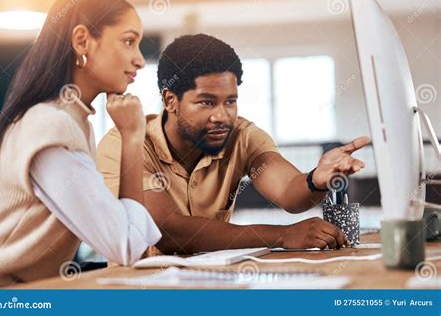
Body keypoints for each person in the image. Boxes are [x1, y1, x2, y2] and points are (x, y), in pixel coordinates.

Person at [97, 33, 368, 255]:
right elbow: (168, 232)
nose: (222, 116)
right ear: (170, 101)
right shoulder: (126, 141)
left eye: (230, 101)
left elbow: (287, 190)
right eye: (206, 102)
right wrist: (282, 235)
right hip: (135, 291)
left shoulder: (242, 135)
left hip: (210, 284)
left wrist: (315, 180)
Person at [0, 0, 161, 287]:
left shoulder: (72, 121)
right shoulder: (50, 125)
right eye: (128, 41)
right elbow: (125, 245)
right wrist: (133, 137)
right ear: (82, 41)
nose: (138, 60)